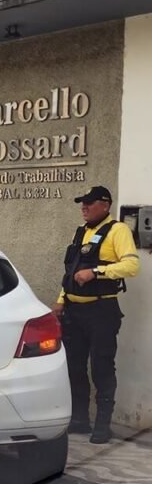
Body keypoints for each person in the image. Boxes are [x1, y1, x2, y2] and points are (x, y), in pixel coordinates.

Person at [53, 186, 140, 444]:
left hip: (101, 310)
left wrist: (97, 272)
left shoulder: (118, 230)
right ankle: (80, 419)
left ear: (105, 205)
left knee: (101, 367)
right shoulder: (81, 232)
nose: (84, 208)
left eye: (89, 203)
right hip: (74, 310)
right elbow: (72, 271)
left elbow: (132, 265)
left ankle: (103, 425)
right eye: (82, 204)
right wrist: (60, 301)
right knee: (75, 366)